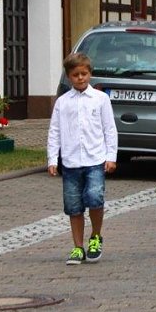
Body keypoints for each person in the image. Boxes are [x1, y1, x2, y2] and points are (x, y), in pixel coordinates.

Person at [47, 52, 118, 265]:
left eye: (84, 74)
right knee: (74, 205)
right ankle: (77, 247)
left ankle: (96, 236)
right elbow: (55, 131)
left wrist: (111, 156)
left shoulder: (100, 99)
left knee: (95, 197)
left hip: (95, 158)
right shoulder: (62, 102)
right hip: (70, 161)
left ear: (90, 74)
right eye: (76, 74)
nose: (80, 78)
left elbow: (109, 129)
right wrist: (52, 158)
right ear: (69, 76)